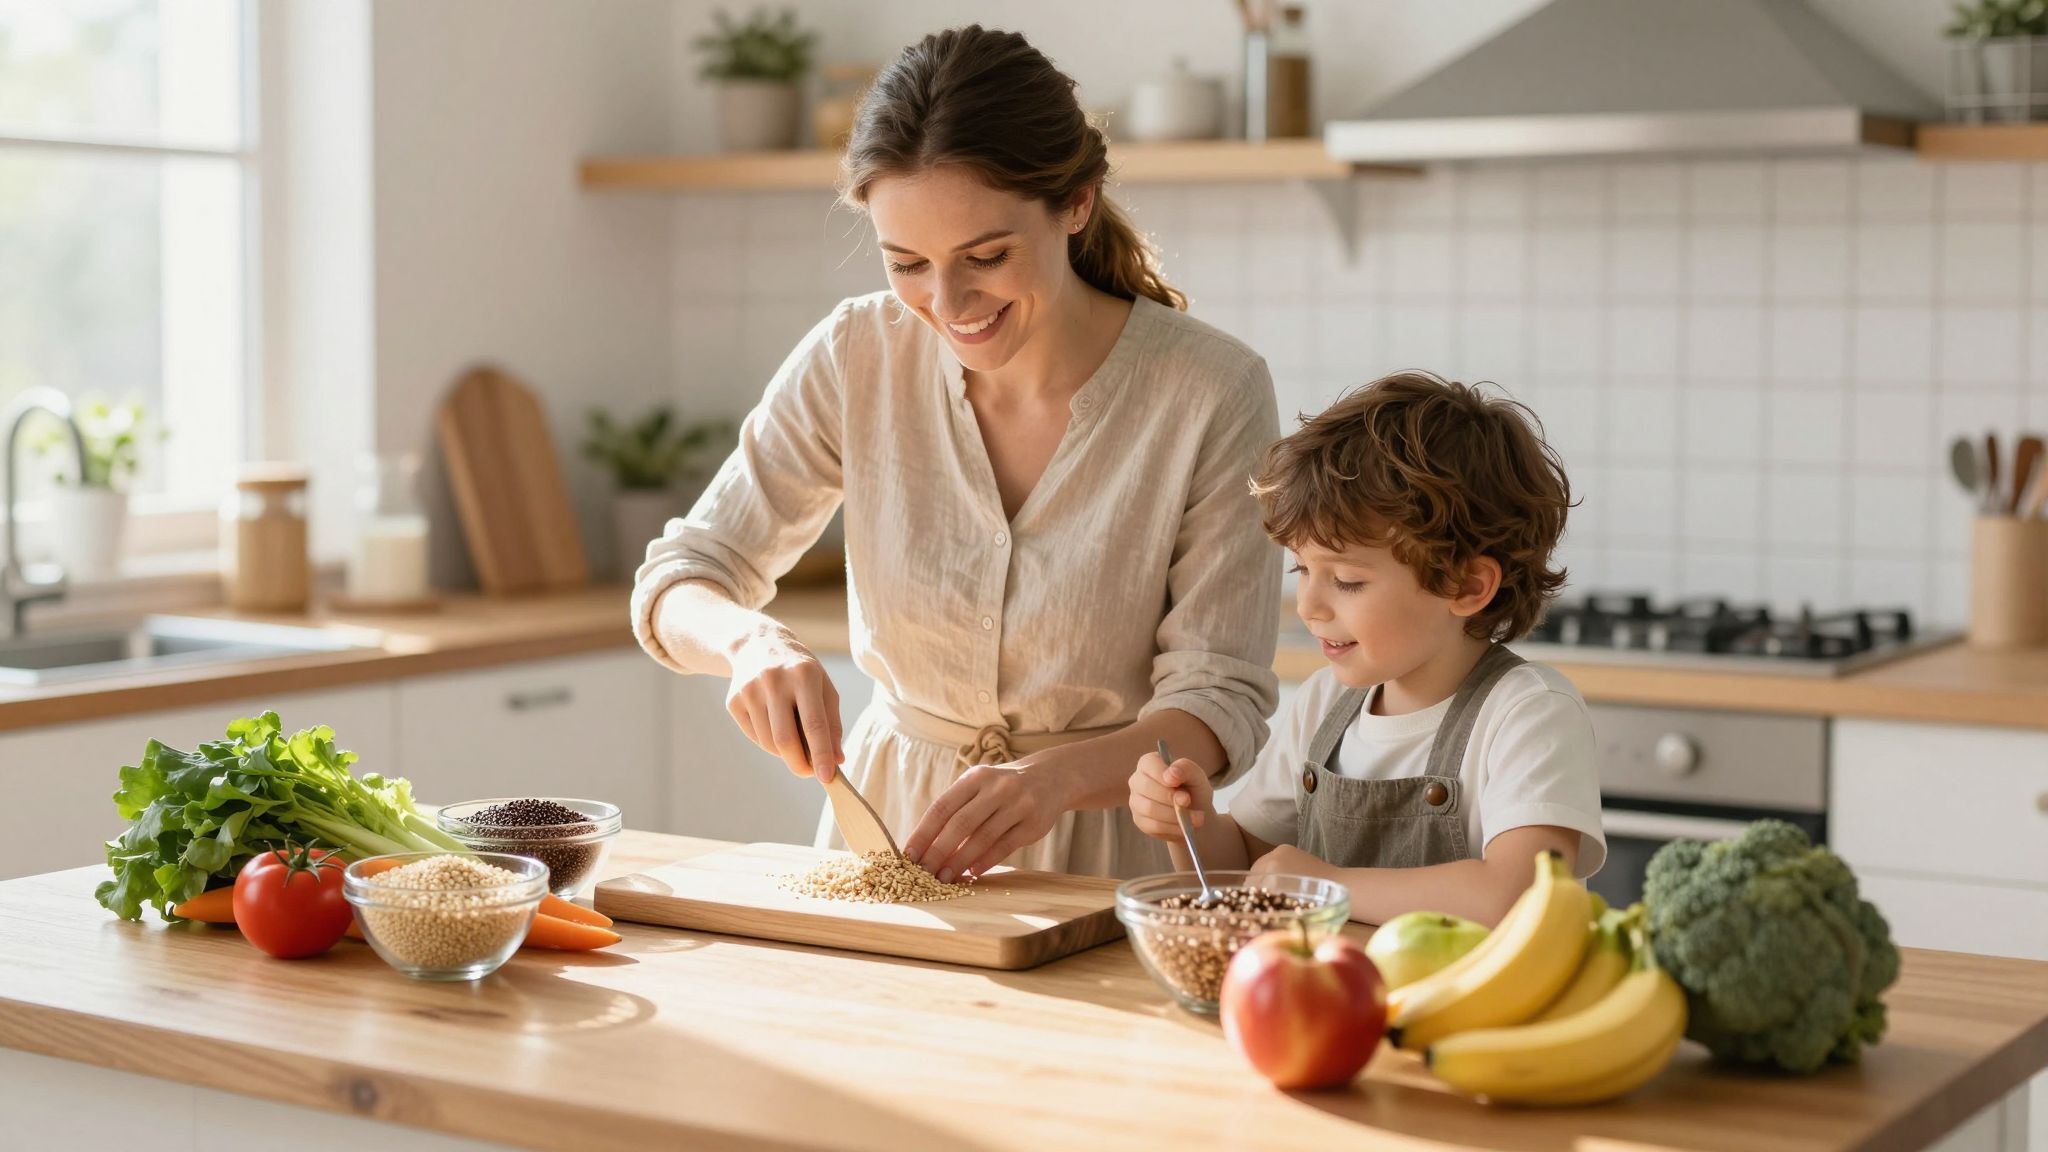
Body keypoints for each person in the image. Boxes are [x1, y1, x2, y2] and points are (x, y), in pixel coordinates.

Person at [632, 25, 1281, 881]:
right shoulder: (855, 354)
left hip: (1108, 859)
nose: (947, 303)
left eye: (987, 256)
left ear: (1077, 202)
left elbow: (1217, 699)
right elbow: (682, 577)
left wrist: (1054, 780)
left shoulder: (1210, 389)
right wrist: (750, 644)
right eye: (907, 262)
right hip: (886, 850)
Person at [1127, 372, 1605, 924]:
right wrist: (1193, 820)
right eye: (1302, 569)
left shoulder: (1528, 713)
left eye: (1347, 580)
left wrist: (1328, 886)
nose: (1309, 606)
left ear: (1466, 586)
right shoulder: (1324, 703)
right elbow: (1252, 868)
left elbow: (1520, 898)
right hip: (1328, 1003)